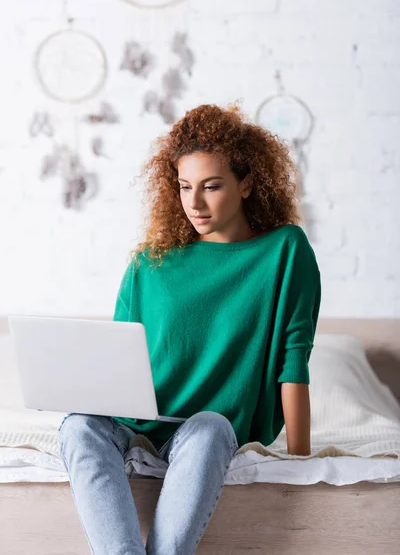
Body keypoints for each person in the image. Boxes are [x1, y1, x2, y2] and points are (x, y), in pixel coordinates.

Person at [58, 102, 321, 555]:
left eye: (211, 186)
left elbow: (293, 362)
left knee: (213, 428)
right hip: (134, 421)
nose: (194, 203)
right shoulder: (148, 263)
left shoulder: (285, 250)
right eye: (183, 187)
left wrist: (301, 463)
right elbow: (120, 357)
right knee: (78, 426)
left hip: (203, 427)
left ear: (247, 183)